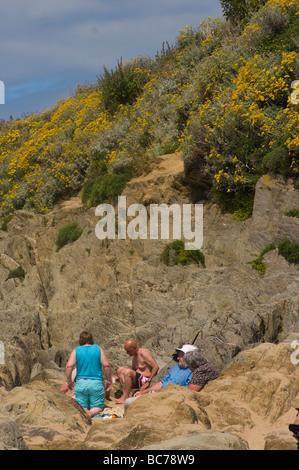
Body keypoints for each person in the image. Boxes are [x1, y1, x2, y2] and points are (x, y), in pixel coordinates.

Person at [65, 331, 112, 417]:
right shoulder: (98, 349)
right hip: (96, 384)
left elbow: (69, 366)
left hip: (81, 384)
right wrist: (108, 381)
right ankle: (92, 413)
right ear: (91, 340)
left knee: (82, 407)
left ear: (80, 340)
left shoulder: (76, 350)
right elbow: (107, 366)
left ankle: (85, 413)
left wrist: (69, 381)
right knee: (98, 407)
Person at [133, 344, 197, 398]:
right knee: (131, 400)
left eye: (180, 356)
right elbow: (162, 383)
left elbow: (186, 392)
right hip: (159, 394)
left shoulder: (193, 373)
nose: (177, 358)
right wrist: (143, 392)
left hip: (168, 398)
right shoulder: (176, 367)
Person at [115, 338, 159, 404]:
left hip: (145, 380)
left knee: (127, 372)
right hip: (137, 381)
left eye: (129, 351)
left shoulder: (143, 352)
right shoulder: (134, 357)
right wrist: (119, 378)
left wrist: (148, 382)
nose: (127, 353)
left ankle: (126, 397)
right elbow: (133, 372)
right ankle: (123, 396)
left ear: (135, 348)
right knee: (120, 370)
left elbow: (156, 367)